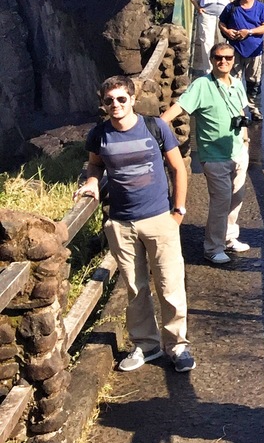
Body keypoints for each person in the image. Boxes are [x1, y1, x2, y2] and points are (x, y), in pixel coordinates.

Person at [75, 76, 194, 372]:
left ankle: (177, 345)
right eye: (109, 101)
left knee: (170, 285)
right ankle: (146, 345)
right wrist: (92, 182)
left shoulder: (156, 127)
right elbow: (95, 164)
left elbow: (178, 168)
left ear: (132, 99)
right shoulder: (99, 135)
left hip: (159, 218)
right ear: (103, 104)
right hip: (121, 223)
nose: (115, 105)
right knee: (135, 288)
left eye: (121, 99)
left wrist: (178, 211)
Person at [162, 42, 257, 265]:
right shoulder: (202, 85)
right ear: (212, 59)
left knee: (237, 197)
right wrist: (159, 124)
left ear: (233, 60)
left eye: (228, 58)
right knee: (221, 202)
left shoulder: (237, 84)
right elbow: (180, 107)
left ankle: (229, 237)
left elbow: (241, 111)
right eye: (218, 57)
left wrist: (245, 140)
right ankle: (213, 248)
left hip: (238, 151)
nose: (223, 61)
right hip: (214, 156)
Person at [219, 0, 264, 102]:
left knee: (254, 80)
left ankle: (254, 106)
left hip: (254, 51)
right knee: (233, 79)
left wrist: (249, 32)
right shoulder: (231, 7)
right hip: (234, 50)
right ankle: (234, 105)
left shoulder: (262, 8)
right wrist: (227, 31)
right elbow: (221, 22)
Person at [189, 0, 234, 76]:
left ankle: (223, 68)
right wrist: (198, 8)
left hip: (223, 15)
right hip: (207, 14)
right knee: (206, 42)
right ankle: (208, 70)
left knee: (223, 41)